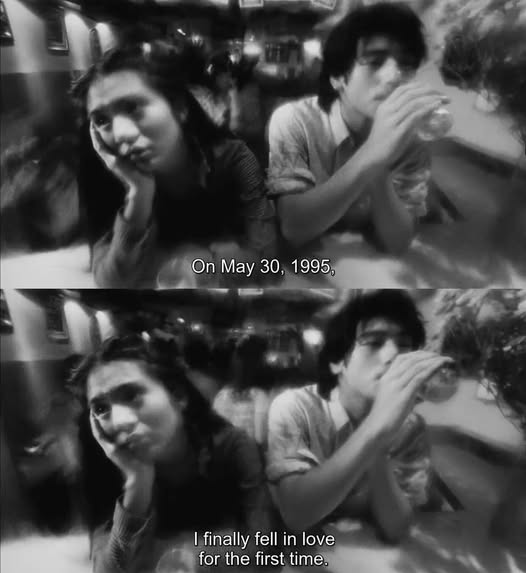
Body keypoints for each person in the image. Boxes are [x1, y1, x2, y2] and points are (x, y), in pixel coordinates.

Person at [73, 40, 278, 288]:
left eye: (133, 107)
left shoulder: (236, 160)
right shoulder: (110, 174)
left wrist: (194, 263)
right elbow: (111, 282)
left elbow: (268, 263)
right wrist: (139, 195)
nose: (120, 134)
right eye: (102, 120)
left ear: (179, 107)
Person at [69, 334, 271, 573]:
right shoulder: (109, 464)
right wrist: (137, 483)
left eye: (131, 395)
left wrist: (181, 553)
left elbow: (265, 551)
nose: (119, 421)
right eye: (101, 408)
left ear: (177, 395)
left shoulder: (233, 448)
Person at [266, 290, 451, 541]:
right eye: (374, 343)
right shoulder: (295, 406)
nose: (393, 356)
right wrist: (374, 427)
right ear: (337, 361)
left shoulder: (410, 425)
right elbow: (296, 515)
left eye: (404, 345)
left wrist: (379, 441)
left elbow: (398, 528)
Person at [267, 2, 449, 253]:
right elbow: (294, 228)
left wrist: (379, 166)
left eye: (406, 64)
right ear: (337, 77)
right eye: (375, 62)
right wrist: (371, 153)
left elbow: (398, 243)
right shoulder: (294, 120)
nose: (394, 76)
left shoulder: (411, 140)